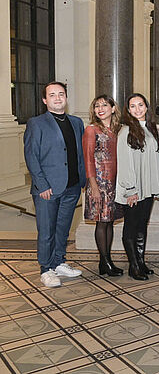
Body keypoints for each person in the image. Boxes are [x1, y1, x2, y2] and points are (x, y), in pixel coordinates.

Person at [24, 82, 86, 288]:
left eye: (61, 94)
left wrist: (82, 180)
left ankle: (59, 261)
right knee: (47, 229)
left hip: (72, 186)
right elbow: (31, 156)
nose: (57, 98)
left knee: (63, 228)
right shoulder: (37, 123)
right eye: (52, 95)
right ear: (45, 100)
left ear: (66, 98)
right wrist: (41, 184)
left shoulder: (76, 122)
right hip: (48, 188)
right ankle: (45, 269)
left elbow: (78, 154)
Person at [116, 93, 159, 281]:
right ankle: (133, 265)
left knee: (142, 225)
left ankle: (141, 262)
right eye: (133, 106)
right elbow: (125, 163)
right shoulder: (125, 131)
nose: (137, 109)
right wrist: (130, 190)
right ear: (128, 110)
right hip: (133, 189)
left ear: (146, 107)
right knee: (131, 227)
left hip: (147, 187)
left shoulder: (151, 128)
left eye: (140, 105)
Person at [83, 95, 124, 276]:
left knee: (109, 222)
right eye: (97, 106)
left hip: (114, 183)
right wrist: (93, 185)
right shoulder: (92, 129)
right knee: (101, 222)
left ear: (113, 108)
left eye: (104, 105)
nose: (100, 108)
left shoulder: (118, 130)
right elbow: (88, 158)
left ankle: (105, 262)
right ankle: (105, 262)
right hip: (99, 183)